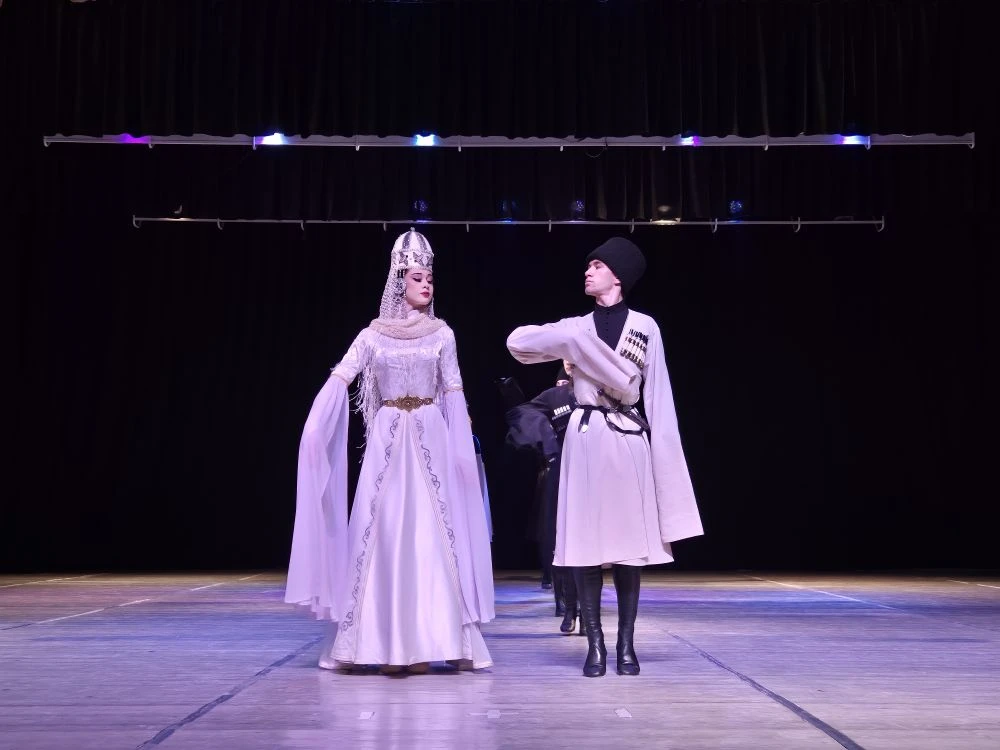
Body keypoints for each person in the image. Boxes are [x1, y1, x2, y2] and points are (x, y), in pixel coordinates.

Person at [285, 228, 495, 674]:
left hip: (430, 433)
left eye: (430, 278)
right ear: (399, 282)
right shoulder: (373, 336)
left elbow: (454, 391)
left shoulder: (442, 334)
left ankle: (432, 641)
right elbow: (341, 377)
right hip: (388, 436)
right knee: (381, 531)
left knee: (432, 533)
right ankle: (383, 645)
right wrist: (315, 427)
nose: (426, 285)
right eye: (418, 278)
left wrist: (461, 453)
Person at [506, 237, 703, 677]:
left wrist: (666, 470)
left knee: (630, 549)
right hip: (586, 436)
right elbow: (517, 342)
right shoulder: (576, 327)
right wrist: (574, 341)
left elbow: (656, 395)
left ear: (618, 275)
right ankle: (594, 644)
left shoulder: (644, 327)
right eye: (588, 265)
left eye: (596, 265)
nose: (588, 271)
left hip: (628, 438)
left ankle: (626, 645)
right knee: (584, 544)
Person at [503, 362, 584, 635]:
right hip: (560, 472)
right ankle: (566, 604)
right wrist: (548, 443)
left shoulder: (599, 391)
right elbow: (521, 413)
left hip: (592, 471)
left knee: (587, 540)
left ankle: (586, 610)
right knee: (557, 538)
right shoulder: (555, 396)